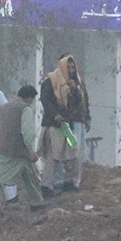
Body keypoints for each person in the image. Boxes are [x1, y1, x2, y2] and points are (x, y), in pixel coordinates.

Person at [0, 84, 47, 215]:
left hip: (0, 149)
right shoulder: (25, 109)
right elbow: (27, 132)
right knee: (29, 177)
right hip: (18, 152)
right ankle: (36, 203)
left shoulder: (5, 107)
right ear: (30, 97)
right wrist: (31, 150)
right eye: (32, 99)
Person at [39, 54, 90, 190]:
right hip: (54, 124)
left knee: (72, 153)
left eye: (73, 67)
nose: (71, 70)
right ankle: (47, 186)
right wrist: (55, 114)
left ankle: (70, 182)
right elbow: (45, 100)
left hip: (69, 125)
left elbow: (80, 102)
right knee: (53, 156)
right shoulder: (51, 80)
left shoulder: (76, 82)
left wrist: (74, 89)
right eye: (68, 67)